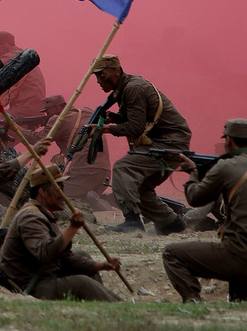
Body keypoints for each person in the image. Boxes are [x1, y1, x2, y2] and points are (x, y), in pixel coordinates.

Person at [90, 54, 190, 234]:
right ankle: (171, 223)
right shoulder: (126, 88)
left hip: (169, 144)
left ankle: (132, 221)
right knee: (141, 188)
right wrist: (114, 117)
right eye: (96, 76)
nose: (98, 80)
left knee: (123, 168)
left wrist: (106, 129)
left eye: (102, 75)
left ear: (117, 71)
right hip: (168, 143)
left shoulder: (133, 88)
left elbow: (135, 128)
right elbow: (139, 118)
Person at [0, 164, 123, 301]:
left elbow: (65, 258)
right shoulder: (30, 217)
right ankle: (117, 307)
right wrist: (72, 228)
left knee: (83, 256)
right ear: (42, 192)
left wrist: (101, 266)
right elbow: (45, 253)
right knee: (82, 284)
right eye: (59, 189)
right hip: (32, 286)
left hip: (45, 276)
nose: (63, 195)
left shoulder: (43, 214)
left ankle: (114, 303)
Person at [163, 119, 247, 303]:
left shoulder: (225, 166)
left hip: (240, 254)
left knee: (172, 254)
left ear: (230, 141)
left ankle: (193, 302)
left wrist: (193, 172)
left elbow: (195, 198)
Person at [19, 95, 112, 207]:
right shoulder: (87, 112)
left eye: (47, 111)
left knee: (54, 195)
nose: (46, 114)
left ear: (59, 108)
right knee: (76, 197)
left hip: (84, 171)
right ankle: (95, 199)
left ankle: (101, 203)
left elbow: (37, 139)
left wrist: (14, 126)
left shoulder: (58, 120)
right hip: (104, 174)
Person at [0, 31, 47, 127]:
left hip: (25, 112)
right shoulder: (21, 56)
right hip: (32, 112)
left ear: (5, 45)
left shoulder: (14, 58)